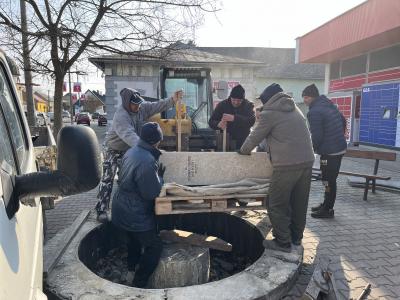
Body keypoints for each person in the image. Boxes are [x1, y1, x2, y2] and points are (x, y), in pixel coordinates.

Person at [239, 83, 315, 253]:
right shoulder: (295, 109)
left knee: (275, 203)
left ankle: (283, 242)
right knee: (299, 203)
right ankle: (296, 238)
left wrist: (242, 151)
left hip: (287, 165)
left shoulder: (270, 113)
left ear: (268, 100)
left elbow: (254, 137)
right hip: (307, 162)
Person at [96, 88, 182, 222]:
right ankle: (101, 209)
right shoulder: (121, 116)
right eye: (134, 104)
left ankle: (124, 209)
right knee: (108, 178)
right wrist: (151, 151)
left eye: (138, 104)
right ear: (126, 103)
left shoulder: (141, 108)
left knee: (126, 180)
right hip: (113, 148)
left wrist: (172, 100)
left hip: (128, 148)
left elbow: (157, 105)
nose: (137, 107)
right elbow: (131, 137)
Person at [111, 122, 165, 288]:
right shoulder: (147, 160)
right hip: (135, 213)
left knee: (134, 241)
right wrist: (160, 178)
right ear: (157, 141)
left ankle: (130, 269)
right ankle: (139, 282)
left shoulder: (132, 150)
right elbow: (151, 193)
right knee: (155, 246)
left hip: (121, 208)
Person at [302, 84, 347, 219]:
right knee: (329, 180)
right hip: (339, 148)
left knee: (328, 180)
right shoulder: (329, 105)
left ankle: (328, 210)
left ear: (313, 97)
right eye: (303, 97)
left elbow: (317, 136)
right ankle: (326, 204)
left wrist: (312, 150)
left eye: (306, 97)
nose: (304, 100)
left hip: (330, 151)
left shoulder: (314, 112)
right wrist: (338, 135)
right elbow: (343, 120)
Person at [209, 84, 255, 150]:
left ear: (243, 99)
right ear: (230, 97)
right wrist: (218, 124)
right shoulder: (222, 105)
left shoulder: (248, 105)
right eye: (234, 100)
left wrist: (234, 118)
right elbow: (211, 122)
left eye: (239, 100)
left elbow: (251, 121)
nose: (236, 102)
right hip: (225, 142)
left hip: (243, 143)